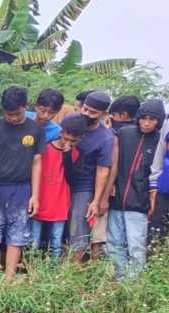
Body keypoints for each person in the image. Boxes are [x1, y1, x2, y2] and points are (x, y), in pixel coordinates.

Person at [0, 86, 45, 282]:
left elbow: (37, 163)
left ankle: (9, 281)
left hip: (21, 188)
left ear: (25, 106)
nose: (12, 118)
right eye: (8, 114)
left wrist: (35, 195)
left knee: (17, 235)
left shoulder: (34, 129)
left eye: (17, 113)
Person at [106, 99, 164, 279]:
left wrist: (151, 200)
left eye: (152, 119)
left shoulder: (159, 141)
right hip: (117, 199)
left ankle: (134, 285)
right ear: (138, 117)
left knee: (136, 245)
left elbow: (156, 172)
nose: (147, 123)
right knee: (114, 243)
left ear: (159, 121)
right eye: (144, 118)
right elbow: (112, 162)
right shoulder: (124, 133)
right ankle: (118, 280)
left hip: (139, 202)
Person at [68, 91, 114, 262]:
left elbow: (103, 170)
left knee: (77, 231)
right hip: (60, 183)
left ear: (103, 114)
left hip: (83, 188)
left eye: (93, 112)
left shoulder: (105, 137)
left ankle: (73, 271)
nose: (86, 114)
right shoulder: (71, 121)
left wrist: (96, 200)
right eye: (85, 109)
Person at [33, 114, 87, 258]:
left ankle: (54, 271)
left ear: (80, 139)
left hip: (60, 203)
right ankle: (31, 271)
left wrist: (67, 156)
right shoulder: (44, 148)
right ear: (61, 132)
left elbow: (72, 179)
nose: (67, 143)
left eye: (73, 141)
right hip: (40, 200)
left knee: (56, 242)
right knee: (33, 242)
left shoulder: (77, 154)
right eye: (65, 138)